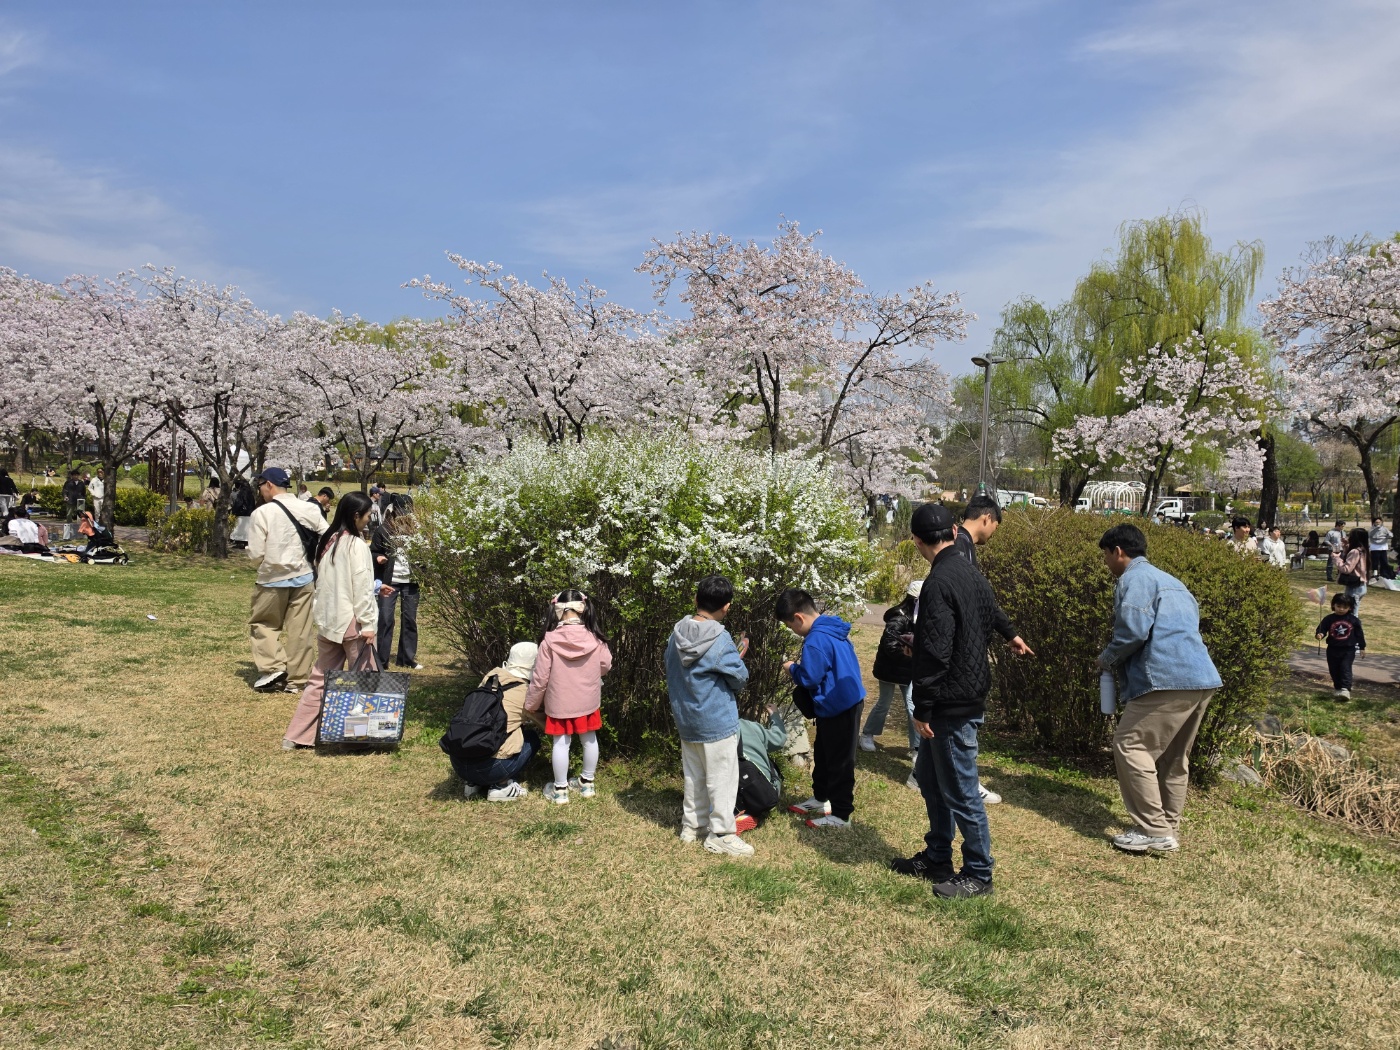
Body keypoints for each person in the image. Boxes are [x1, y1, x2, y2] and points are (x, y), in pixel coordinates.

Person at [890, 503, 1032, 899]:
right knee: (931, 781)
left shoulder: (937, 582)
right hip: (963, 691)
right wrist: (1011, 634)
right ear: (954, 531)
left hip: (952, 701)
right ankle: (938, 856)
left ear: (916, 540)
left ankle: (979, 873)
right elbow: (990, 608)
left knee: (961, 790)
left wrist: (922, 708)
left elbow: (937, 652)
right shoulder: (970, 570)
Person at [1097, 523, 1222, 855]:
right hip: (1201, 677)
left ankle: (1152, 830)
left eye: (1106, 556)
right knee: (1174, 757)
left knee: (1130, 744)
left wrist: (1107, 658)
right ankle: (1168, 828)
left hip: (1166, 679)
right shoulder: (1173, 582)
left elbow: (1133, 632)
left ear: (1118, 551)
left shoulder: (1134, 579)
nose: (1106, 563)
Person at [664, 574, 753, 856]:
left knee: (694, 777)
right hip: (716, 720)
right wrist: (737, 656)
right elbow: (739, 677)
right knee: (722, 779)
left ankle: (692, 828)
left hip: (686, 718)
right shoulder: (720, 638)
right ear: (726, 607)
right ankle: (722, 834)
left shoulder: (676, 634)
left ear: (695, 599)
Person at [283, 492, 379, 749]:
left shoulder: (328, 540)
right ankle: (358, 737)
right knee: (363, 681)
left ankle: (297, 735)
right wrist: (368, 624)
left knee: (319, 680)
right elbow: (361, 587)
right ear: (356, 515)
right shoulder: (356, 545)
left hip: (329, 621)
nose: (369, 520)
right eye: (367, 515)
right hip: (353, 623)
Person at [778, 588, 866, 829]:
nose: (792, 631)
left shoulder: (815, 640)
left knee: (839, 761)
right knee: (824, 754)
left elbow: (809, 678)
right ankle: (821, 798)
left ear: (799, 618)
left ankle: (841, 815)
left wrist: (791, 668)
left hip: (840, 706)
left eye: (790, 626)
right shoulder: (831, 627)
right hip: (839, 703)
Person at [523, 588, 612, 805]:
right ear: (583, 609)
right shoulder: (595, 638)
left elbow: (540, 678)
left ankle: (560, 790)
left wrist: (531, 704)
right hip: (587, 700)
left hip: (559, 702)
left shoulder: (549, 641)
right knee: (589, 740)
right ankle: (587, 783)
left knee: (561, 744)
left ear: (557, 609)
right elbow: (606, 665)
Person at [246, 467, 329, 694]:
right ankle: (298, 679)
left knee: (264, 624)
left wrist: (260, 563)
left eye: (261, 486)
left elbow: (255, 553)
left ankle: (273, 667)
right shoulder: (309, 508)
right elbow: (327, 535)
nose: (260, 491)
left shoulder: (262, 513)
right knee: (300, 630)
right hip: (303, 577)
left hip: (272, 579)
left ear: (269, 485)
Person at [451, 642, 542, 800]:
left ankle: (472, 784)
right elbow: (546, 726)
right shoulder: (525, 692)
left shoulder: (491, 676)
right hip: (491, 769)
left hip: (459, 762)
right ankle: (501, 786)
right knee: (532, 739)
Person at [859, 581, 920, 780]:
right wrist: (911, 656)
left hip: (908, 670)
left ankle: (916, 747)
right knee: (884, 702)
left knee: (912, 705)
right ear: (915, 600)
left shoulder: (922, 616)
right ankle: (867, 734)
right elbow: (890, 645)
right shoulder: (898, 618)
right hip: (890, 669)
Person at [372, 495, 421, 670]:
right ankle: (381, 660)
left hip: (411, 582)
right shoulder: (384, 530)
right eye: (401, 512)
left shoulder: (417, 531)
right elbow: (373, 551)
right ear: (394, 511)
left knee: (410, 619)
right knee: (385, 618)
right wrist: (378, 557)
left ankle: (407, 659)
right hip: (389, 581)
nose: (404, 515)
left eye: (408, 512)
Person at [735, 708, 789, 833]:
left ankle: (735, 813)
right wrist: (774, 715)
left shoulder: (707, 735)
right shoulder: (746, 726)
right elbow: (779, 739)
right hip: (765, 790)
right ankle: (744, 814)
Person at [1315, 593, 1365, 701]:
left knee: (1345, 667)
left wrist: (1362, 647)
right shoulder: (1329, 619)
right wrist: (1320, 634)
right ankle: (1338, 688)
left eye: (1345, 607)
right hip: (1332, 648)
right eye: (1338, 606)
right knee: (1333, 669)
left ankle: (1345, 689)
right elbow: (1322, 628)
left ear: (1350, 608)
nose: (1341, 609)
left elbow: (1359, 635)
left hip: (1348, 649)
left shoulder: (1353, 620)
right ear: (1333, 605)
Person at [953, 494, 1001, 567]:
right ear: (987, 518)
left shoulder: (960, 539)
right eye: (996, 527)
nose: (994, 533)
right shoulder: (960, 544)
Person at [1332, 528, 1371, 612]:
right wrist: (1346, 546)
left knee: (1351, 613)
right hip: (1361, 585)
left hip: (1354, 587)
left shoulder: (1355, 551)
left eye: (1350, 536)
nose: (1348, 538)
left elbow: (1346, 569)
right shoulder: (1363, 550)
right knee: (1352, 611)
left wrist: (1336, 558)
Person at [229, 478, 256, 549]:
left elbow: (239, 503)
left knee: (239, 528)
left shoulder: (241, 493)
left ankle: (239, 542)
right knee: (246, 529)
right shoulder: (251, 494)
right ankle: (246, 542)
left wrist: (234, 510)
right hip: (249, 513)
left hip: (241, 513)